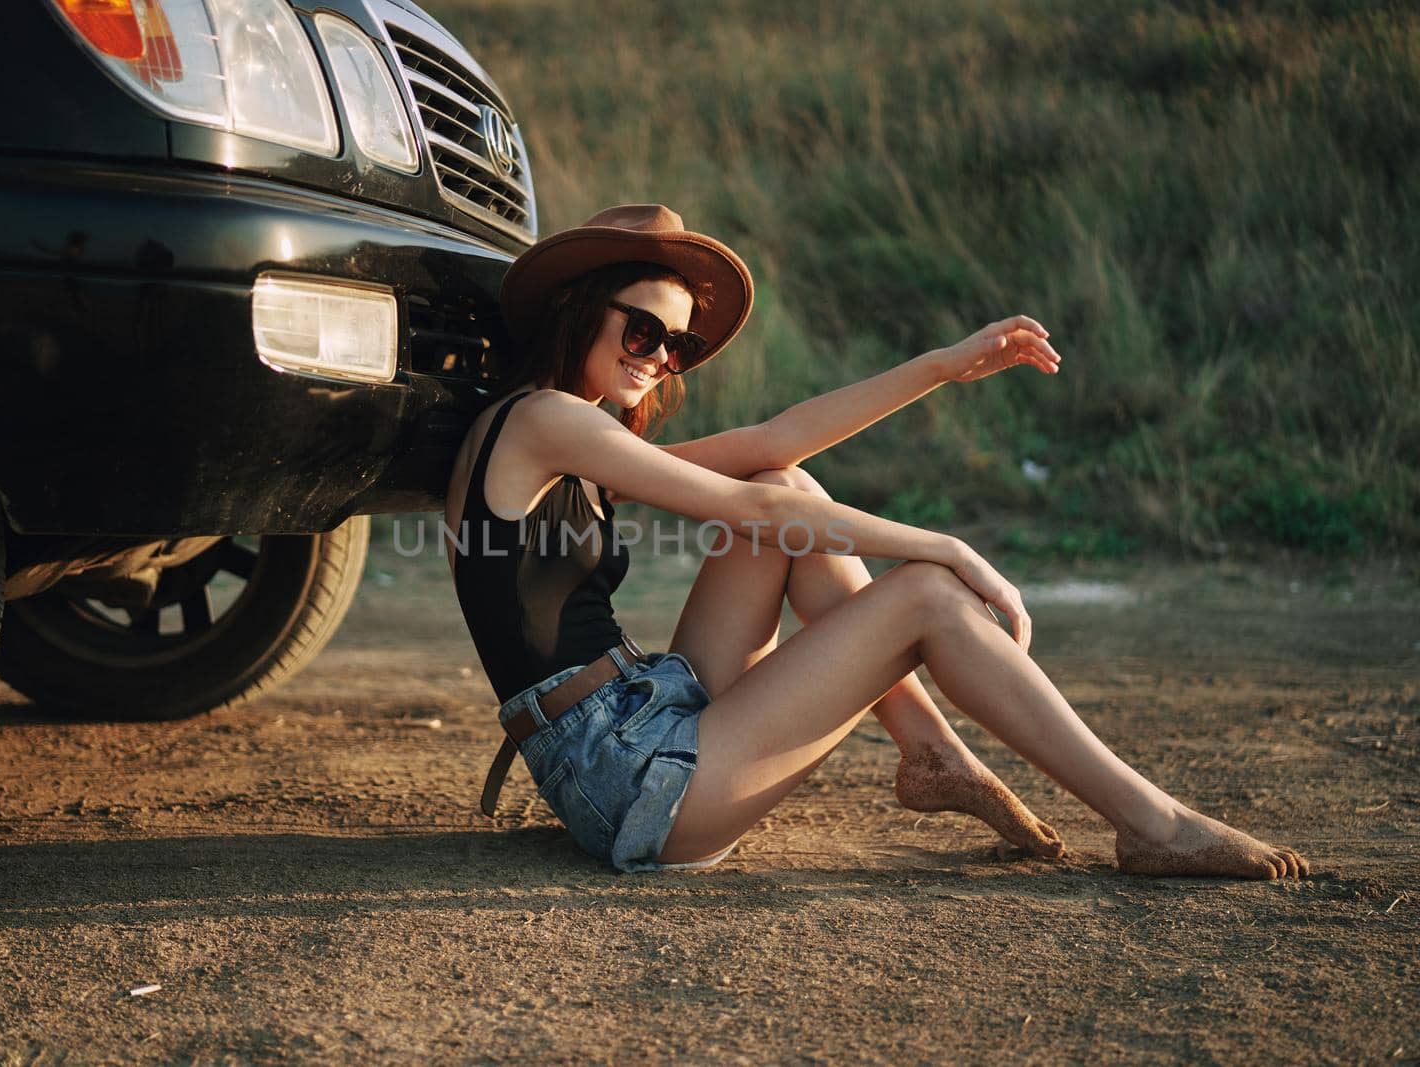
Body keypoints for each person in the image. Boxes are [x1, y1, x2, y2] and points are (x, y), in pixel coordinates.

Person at [444, 203, 1308, 879]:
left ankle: (929, 750)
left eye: (678, 346)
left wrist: (940, 365)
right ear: (577, 310)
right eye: (643, 333)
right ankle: (1152, 824)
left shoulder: (561, 436)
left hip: (638, 717)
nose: (660, 361)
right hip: (626, 778)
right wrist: (947, 549)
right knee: (924, 593)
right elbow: (742, 514)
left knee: (784, 485)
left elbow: (776, 447)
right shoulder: (550, 423)